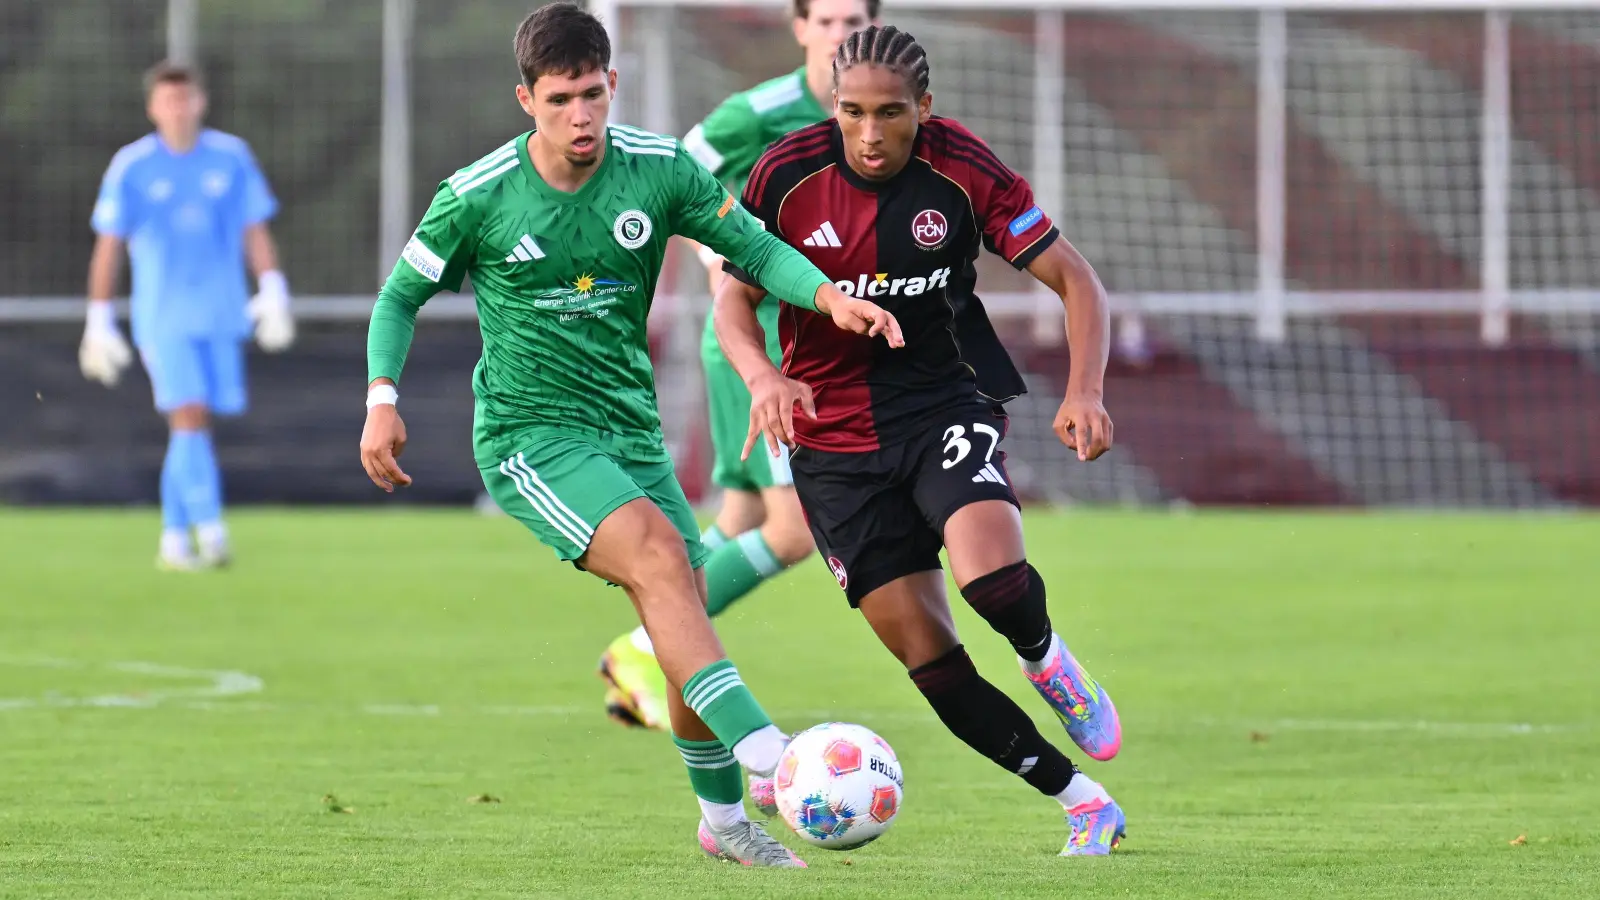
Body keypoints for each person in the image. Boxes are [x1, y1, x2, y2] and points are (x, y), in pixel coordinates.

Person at [358, 3, 901, 867]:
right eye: (560, 99)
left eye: (593, 95)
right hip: (530, 437)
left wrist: (829, 296)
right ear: (525, 100)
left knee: (679, 600)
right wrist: (382, 397)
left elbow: (755, 251)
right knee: (657, 558)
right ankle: (771, 759)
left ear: (614, 84)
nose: (581, 116)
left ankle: (724, 826)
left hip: (629, 432)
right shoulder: (478, 194)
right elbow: (398, 298)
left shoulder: (659, 171)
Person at [713, 25, 1127, 856]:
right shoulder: (786, 173)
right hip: (830, 442)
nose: (870, 135)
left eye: (891, 113)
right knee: (934, 664)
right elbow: (732, 298)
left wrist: (1085, 390)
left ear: (924, 108)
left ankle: (1046, 657)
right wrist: (763, 376)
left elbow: (1073, 278)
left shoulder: (963, 168)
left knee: (994, 583)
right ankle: (1085, 803)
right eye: (852, 113)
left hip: (943, 399)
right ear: (832, 106)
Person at [598, 0, 880, 736]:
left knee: (745, 518)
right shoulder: (761, 112)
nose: (840, 34)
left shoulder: (872, 117)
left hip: (801, 347)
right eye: (827, 21)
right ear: (800, 28)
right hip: (754, 346)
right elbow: (677, 174)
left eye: (854, 21)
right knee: (794, 530)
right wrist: (714, 253)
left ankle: (646, 653)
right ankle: (640, 651)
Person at [79, 61, 294, 571]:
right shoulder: (131, 166)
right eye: (167, 100)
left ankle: (173, 541)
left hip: (221, 314)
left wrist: (272, 288)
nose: (178, 108)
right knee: (188, 413)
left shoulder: (230, 157)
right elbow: (108, 245)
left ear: (200, 102)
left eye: (186, 98)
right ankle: (210, 530)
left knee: (194, 426)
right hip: (163, 317)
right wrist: (99, 317)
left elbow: (254, 227)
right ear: (153, 107)